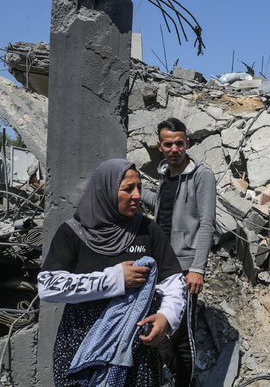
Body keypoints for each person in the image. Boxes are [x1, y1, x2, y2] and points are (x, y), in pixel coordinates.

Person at [38, 159, 186, 387]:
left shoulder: (148, 230)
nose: (137, 195)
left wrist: (166, 318)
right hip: (81, 344)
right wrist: (114, 279)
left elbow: (174, 282)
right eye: (128, 189)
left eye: (139, 187)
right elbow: (48, 286)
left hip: (137, 351)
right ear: (105, 190)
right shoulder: (72, 233)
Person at [141, 117, 216, 387]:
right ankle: (176, 376)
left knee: (184, 333)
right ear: (160, 146)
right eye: (168, 144)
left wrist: (198, 268)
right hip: (160, 263)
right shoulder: (165, 175)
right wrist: (135, 187)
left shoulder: (201, 175)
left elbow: (207, 222)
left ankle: (187, 382)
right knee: (161, 326)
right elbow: (162, 206)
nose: (175, 149)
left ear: (188, 143)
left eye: (180, 143)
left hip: (185, 267)